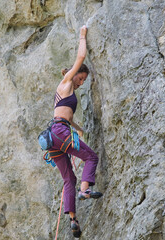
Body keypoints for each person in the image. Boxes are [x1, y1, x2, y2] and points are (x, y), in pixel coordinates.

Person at [48, 25, 102, 238]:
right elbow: (81, 56)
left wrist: (78, 130)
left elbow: (65, 118)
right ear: (76, 73)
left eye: (84, 81)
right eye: (82, 78)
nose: (81, 82)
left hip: (54, 136)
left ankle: (73, 220)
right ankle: (85, 190)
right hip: (60, 131)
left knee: (68, 179)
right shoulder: (66, 82)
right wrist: (82, 35)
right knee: (91, 157)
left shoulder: (66, 91)